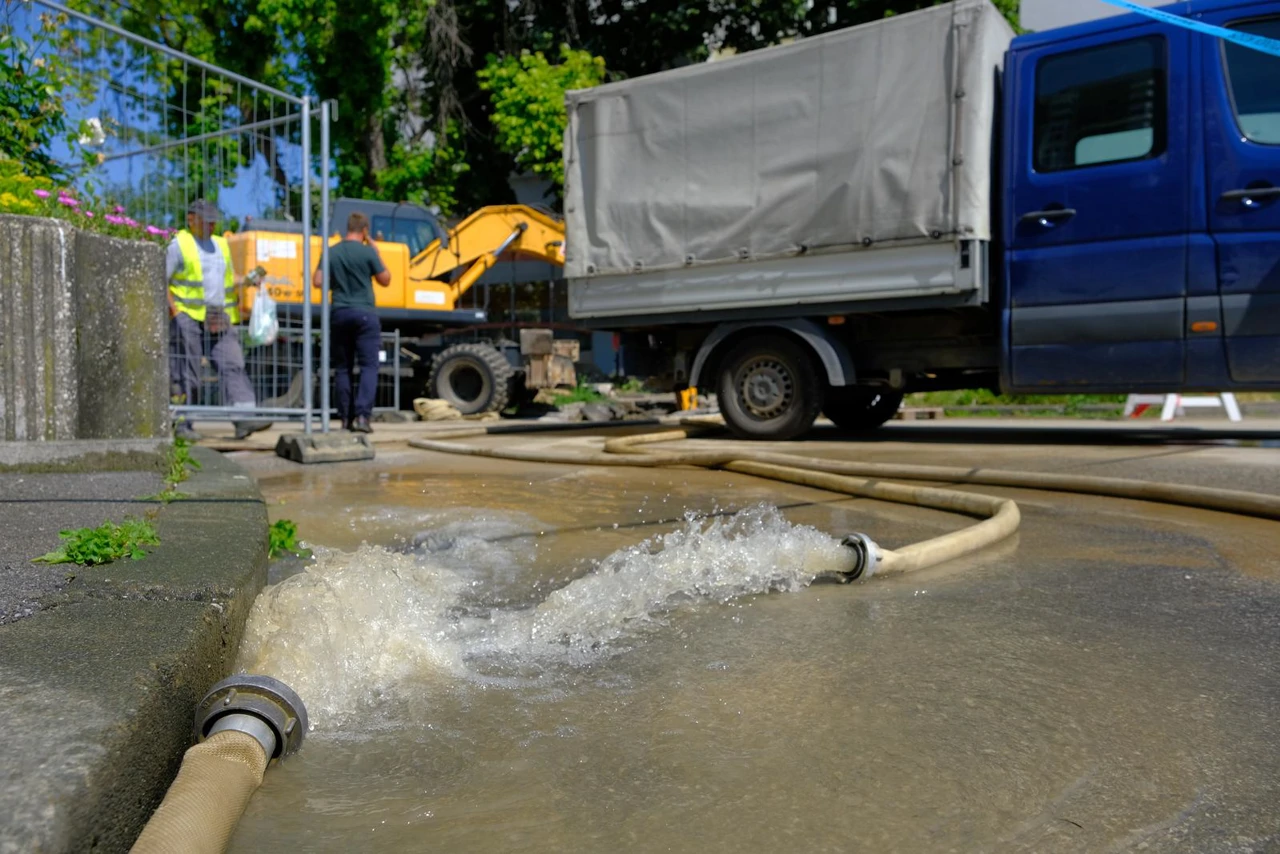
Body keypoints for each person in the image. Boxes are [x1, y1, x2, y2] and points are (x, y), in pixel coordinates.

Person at [166, 199, 271, 441]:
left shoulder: (221, 245)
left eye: (214, 220)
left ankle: (245, 418)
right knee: (186, 372)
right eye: (206, 220)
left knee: (233, 364)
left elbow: (227, 278)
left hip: (217, 317)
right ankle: (181, 424)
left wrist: (245, 279)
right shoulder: (178, 244)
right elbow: (162, 280)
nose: (212, 224)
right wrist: (176, 313)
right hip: (188, 316)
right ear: (191, 219)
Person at [313, 211, 391, 433]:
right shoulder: (368, 252)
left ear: (348, 228)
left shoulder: (332, 251)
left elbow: (317, 281)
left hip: (339, 312)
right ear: (365, 231)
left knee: (342, 368)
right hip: (365, 313)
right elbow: (386, 280)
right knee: (368, 366)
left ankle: (345, 419)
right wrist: (376, 252)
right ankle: (363, 418)